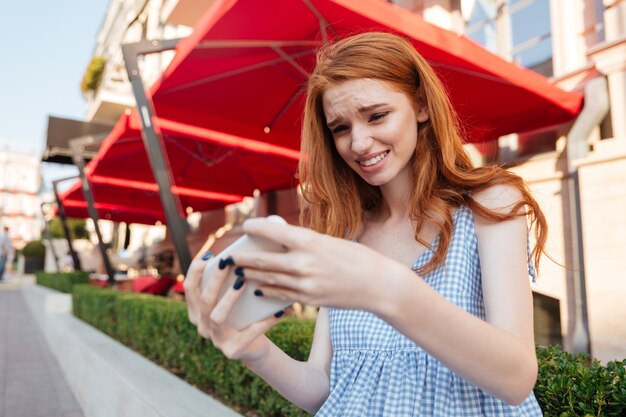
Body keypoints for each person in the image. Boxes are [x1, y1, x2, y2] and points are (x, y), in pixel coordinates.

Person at [184, 32, 546, 416]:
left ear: (421, 105)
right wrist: (253, 349)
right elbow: (324, 389)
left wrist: (387, 289)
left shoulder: (491, 203)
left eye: (377, 116)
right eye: (340, 128)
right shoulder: (346, 234)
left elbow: (517, 378)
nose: (358, 143)